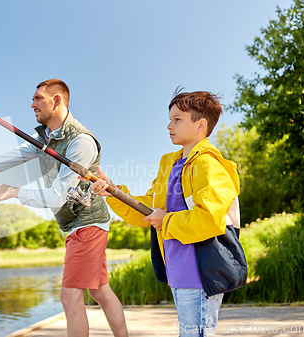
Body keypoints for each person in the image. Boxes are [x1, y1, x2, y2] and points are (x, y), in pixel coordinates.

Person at [0, 79, 128, 337]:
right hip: (73, 225)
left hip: (87, 224)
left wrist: (14, 193)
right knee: (100, 290)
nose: (32, 104)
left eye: (38, 99)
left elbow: (58, 196)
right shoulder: (43, 137)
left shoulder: (82, 142)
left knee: (69, 297)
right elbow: (7, 157)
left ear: (57, 100)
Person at [88, 90, 246, 337]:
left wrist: (167, 220)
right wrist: (113, 192)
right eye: (170, 119)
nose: (169, 125)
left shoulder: (209, 165)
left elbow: (209, 218)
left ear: (200, 125)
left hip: (200, 272)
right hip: (177, 271)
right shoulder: (170, 164)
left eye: (177, 119)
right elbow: (149, 210)